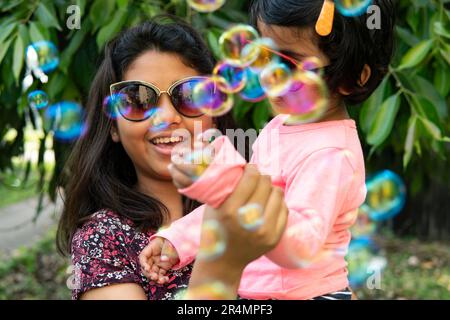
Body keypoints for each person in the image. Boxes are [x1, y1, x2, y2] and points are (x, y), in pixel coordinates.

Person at [140, 0, 396, 300]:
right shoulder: (280, 127)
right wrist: (178, 240)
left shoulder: (330, 154)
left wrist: (232, 184)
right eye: (263, 56)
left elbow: (299, 245)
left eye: (288, 64)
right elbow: (238, 207)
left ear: (353, 78)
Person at [56, 17, 285, 300]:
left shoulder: (260, 200)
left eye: (189, 95)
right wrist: (224, 260)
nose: (167, 118)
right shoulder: (104, 238)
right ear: (113, 126)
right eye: (139, 100)